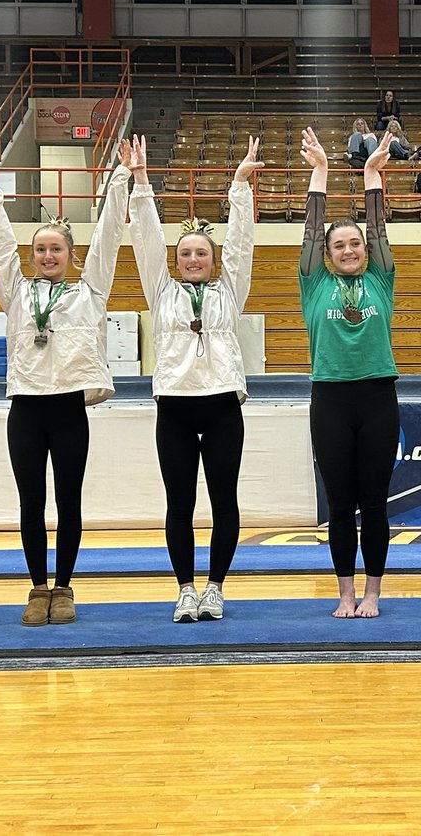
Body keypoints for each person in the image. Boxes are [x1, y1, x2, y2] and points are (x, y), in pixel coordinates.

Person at [0, 136, 132, 627]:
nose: (46, 255)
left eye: (55, 248)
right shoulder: (17, 293)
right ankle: (37, 585)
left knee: (69, 499)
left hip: (67, 408)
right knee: (30, 501)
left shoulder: (90, 291)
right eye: (39, 249)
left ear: (70, 253)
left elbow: (108, 240)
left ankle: (64, 586)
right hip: (26, 408)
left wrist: (121, 179)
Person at [128, 135, 262, 623]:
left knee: (224, 498)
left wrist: (240, 187)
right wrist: (141, 182)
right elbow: (144, 239)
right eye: (184, 253)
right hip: (176, 407)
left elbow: (242, 244)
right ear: (176, 259)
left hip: (223, 402)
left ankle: (215, 587)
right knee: (179, 502)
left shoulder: (230, 288)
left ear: (212, 258)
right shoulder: (160, 290)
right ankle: (185, 588)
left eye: (201, 253)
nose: (192, 259)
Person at [298, 126, 400, 618]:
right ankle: (344, 592)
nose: (348, 250)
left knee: (375, 502)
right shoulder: (313, 283)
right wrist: (319, 172)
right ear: (328, 253)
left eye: (354, 243)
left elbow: (380, 229)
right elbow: (311, 231)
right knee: (340, 505)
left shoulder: (381, 277)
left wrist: (370, 176)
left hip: (378, 397)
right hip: (331, 399)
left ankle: (375, 591)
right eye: (338, 245)